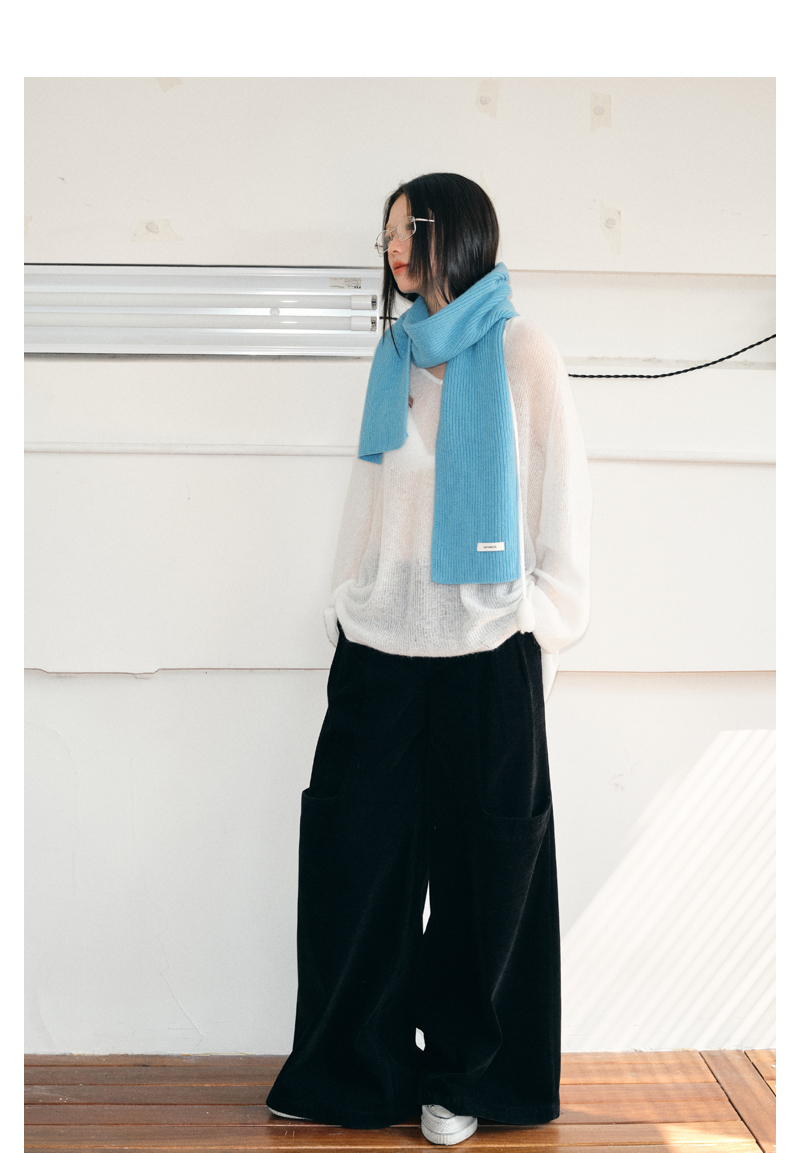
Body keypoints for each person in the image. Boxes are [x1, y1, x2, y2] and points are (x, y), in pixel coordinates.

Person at [266, 172, 592, 1145]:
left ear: (459, 230)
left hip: (487, 647)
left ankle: (467, 1078)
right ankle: (351, 1069)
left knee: (488, 871)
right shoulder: (396, 352)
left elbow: (562, 499)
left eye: (407, 226)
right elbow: (370, 500)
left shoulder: (524, 351)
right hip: (382, 644)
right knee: (352, 853)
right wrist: (344, 600)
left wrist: (538, 615)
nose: (393, 245)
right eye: (387, 233)